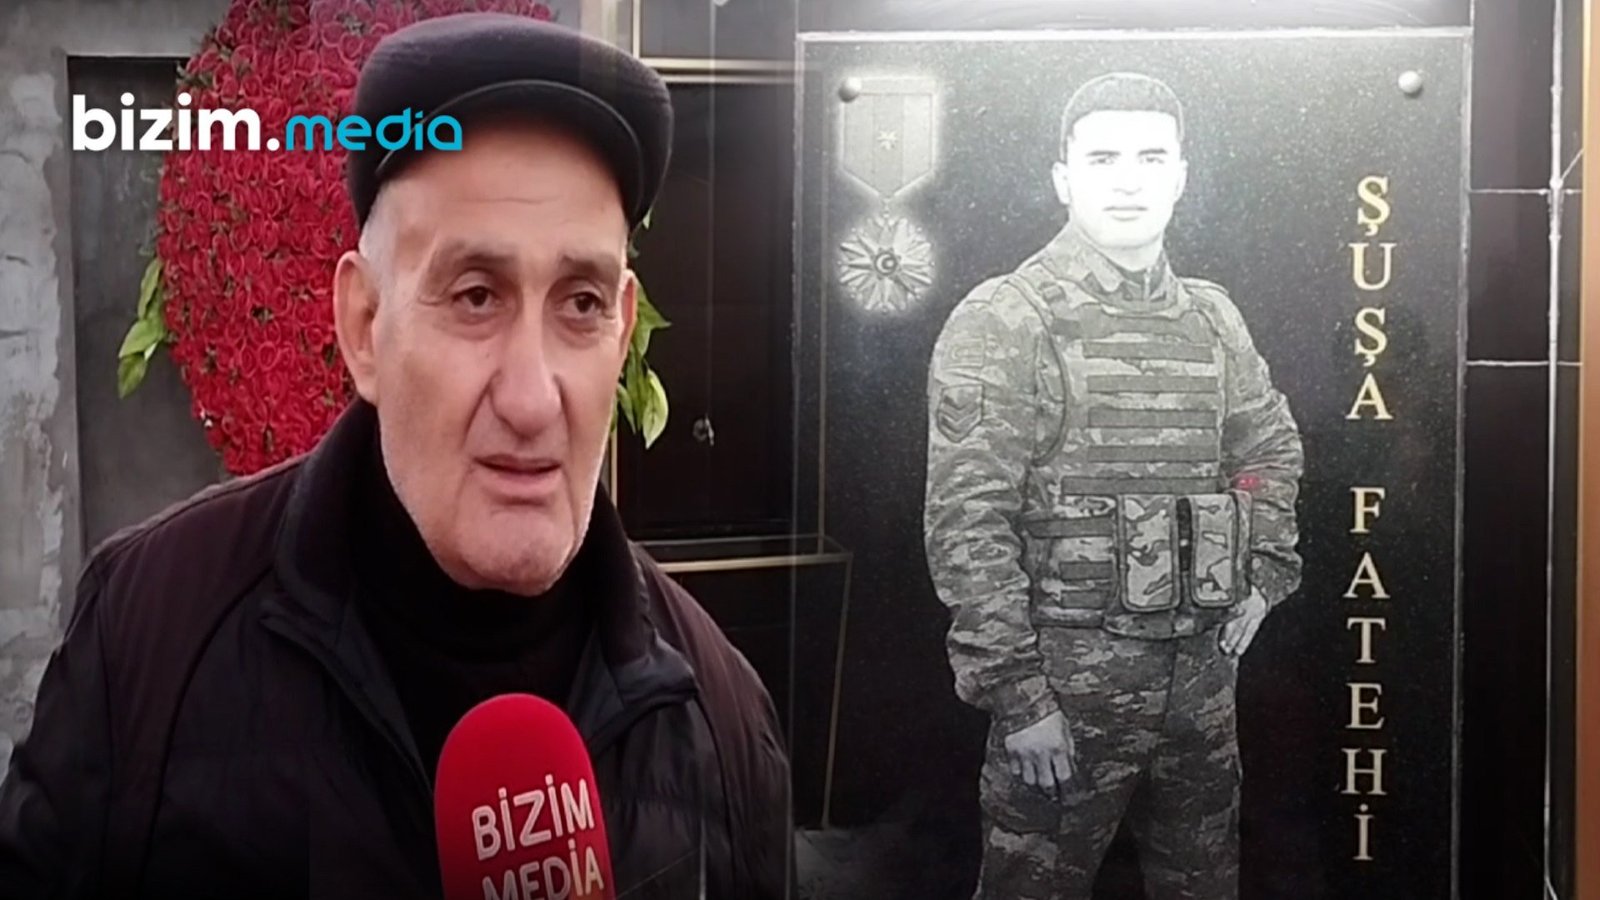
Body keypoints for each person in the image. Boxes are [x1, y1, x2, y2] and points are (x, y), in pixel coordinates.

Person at [0, 13, 789, 900]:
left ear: (624, 327)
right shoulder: (145, 637)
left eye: (581, 303)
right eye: (477, 295)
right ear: (364, 326)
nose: (534, 399)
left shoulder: (724, 717)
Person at [923, 72, 1304, 899]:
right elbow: (968, 522)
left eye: (1150, 158)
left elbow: (1267, 446)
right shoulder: (1007, 319)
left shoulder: (1212, 318)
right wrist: (1020, 697)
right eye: (1103, 159)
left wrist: (1265, 566)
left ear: (1181, 176)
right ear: (1064, 179)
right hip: (1067, 689)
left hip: (1200, 689)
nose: (1128, 180)